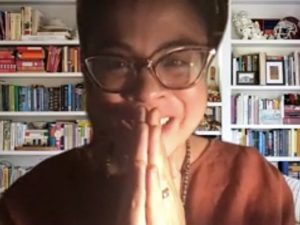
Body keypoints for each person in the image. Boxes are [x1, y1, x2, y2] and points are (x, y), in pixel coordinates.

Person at [0, 0, 295, 224]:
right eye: (116, 63)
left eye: (176, 61)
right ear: (88, 76)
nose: (146, 93)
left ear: (207, 69)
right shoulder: (30, 200)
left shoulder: (257, 184)